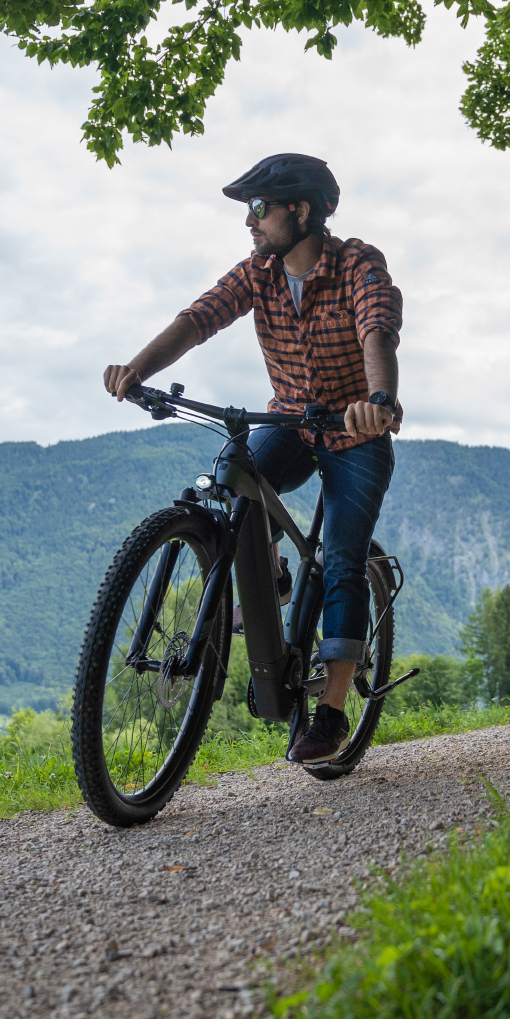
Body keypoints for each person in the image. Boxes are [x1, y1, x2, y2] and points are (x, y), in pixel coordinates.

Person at [103, 153, 402, 763]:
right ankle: (276, 577)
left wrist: (379, 400)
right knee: (233, 476)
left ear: (301, 210)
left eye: (259, 209)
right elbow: (199, 318)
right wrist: (138, 368)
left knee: (342, 562)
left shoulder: (356, 265)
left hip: (354, 432)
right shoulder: (258, 272)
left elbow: (377, 328)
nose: (250, 221)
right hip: (292, 420)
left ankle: (332, 715)